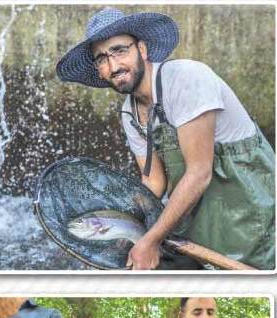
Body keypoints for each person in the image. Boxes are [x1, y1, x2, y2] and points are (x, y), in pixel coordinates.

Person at [57, 7, 275, 270]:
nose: (113, 66)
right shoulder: (130, 112)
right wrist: (122, 225)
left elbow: (199, 173)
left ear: (143, 49)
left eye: (119, 50)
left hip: (247, 204)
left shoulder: (187, 79)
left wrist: (150, 240)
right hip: (199, 215)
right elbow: (153, 180)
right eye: (102, 59)